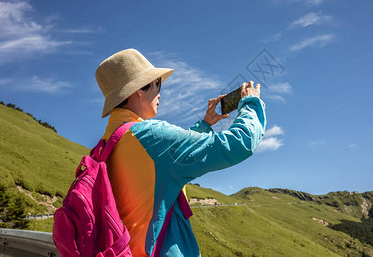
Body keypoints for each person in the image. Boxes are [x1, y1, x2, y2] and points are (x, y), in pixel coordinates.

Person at [95, 48, 266, 256]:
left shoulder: (108, 143)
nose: (159, 93)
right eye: (157, 84)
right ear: (138, 90)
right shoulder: (151, 136)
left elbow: (164, 162)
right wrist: (250, 104)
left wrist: (205, 125)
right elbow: (238, 145)